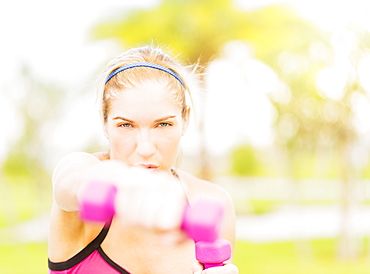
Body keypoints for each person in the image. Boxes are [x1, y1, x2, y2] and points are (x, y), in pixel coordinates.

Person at [48, 45, 238, 274]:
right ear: (104, 122)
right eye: (126, 125)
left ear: (185, 120)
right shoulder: (80, 181)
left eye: (163, 124)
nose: (145, 148)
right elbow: (70, 181)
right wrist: (121, 182)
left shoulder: (213, 203)